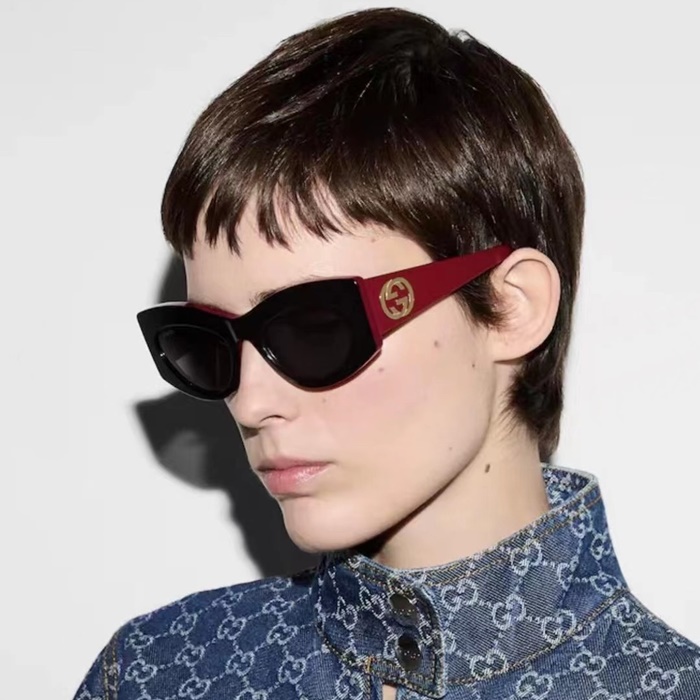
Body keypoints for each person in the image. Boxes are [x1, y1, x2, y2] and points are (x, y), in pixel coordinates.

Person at [73, 7, 700, 699]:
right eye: (207, 344)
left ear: (511, 307)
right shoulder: (160, 672)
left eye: (313, 328)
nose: (249, 403)